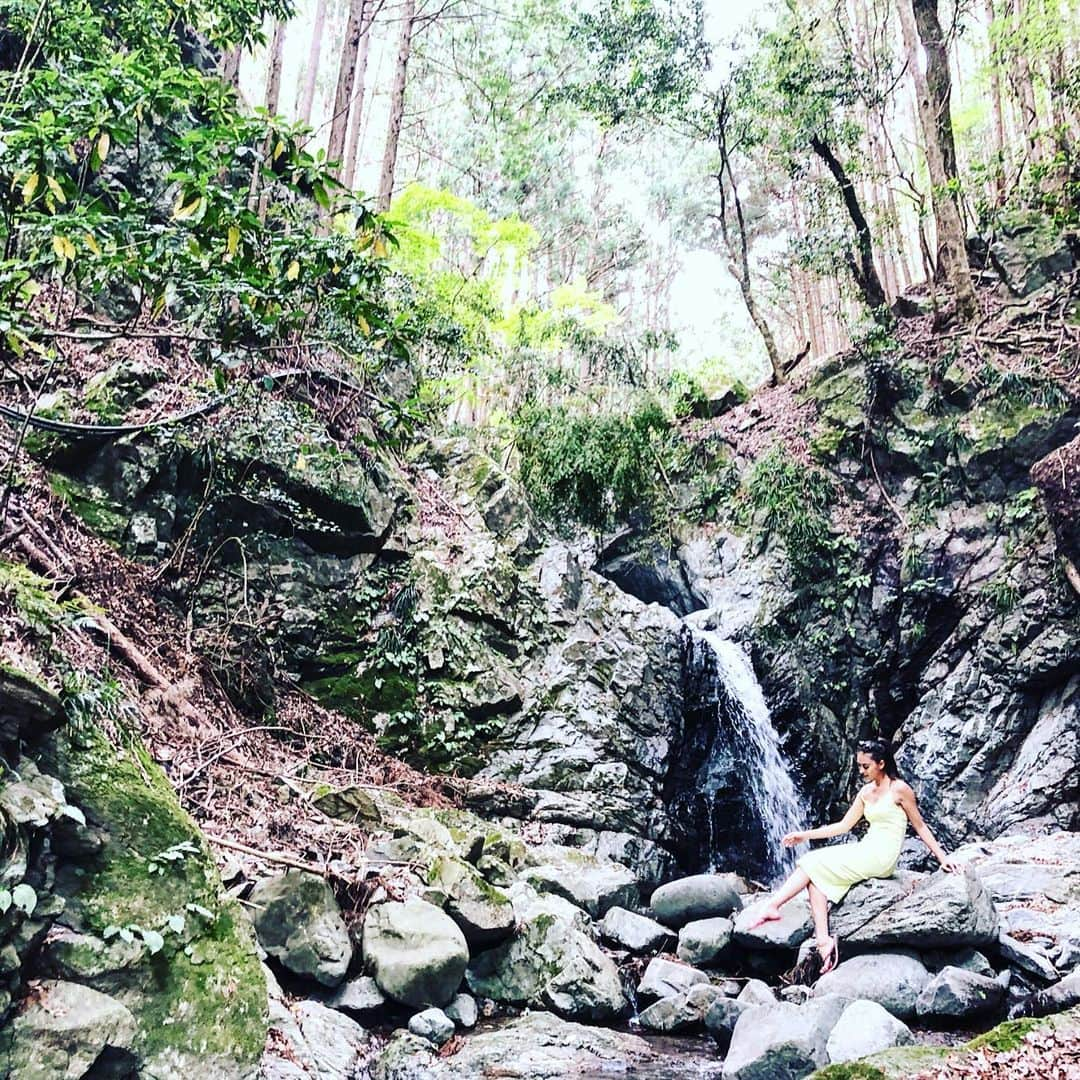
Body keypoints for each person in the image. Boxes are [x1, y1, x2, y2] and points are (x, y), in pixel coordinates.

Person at [747, 738, 959, 974]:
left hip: (882, 857)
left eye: (865, 766)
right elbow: (843, 826)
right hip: (866, 848)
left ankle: (773, 904)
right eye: (858, 766)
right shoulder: (866, 792)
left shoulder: (899, 789)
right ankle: (823, 941)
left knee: (811, 863)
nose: (860, 771)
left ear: (881, 763)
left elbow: (919, 826)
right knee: (815, 877)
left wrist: (943, 858)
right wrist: (803, 835)